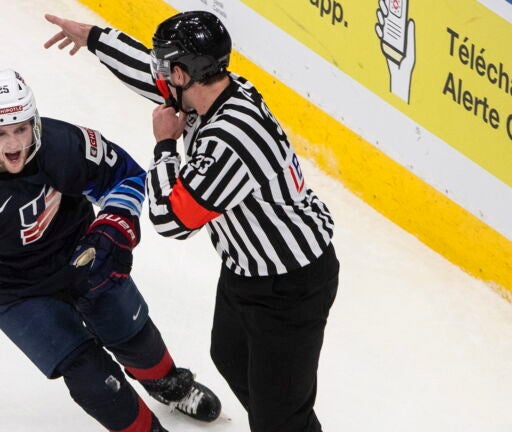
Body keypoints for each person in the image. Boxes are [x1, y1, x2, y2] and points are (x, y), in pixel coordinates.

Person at [45, 11, 339, 432]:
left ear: (184, 73)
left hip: (291, 284)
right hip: (248, 271)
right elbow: (151, 76)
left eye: (167, 66)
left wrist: (165, 144)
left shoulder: (232, 139)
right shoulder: (213, 92)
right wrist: (95, 38)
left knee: (279, 417)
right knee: (230, 357)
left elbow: (172, 218)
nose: (160, 74)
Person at [0, 69, 221, 432]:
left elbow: (123, 176)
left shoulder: (65, 143)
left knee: (135, 336)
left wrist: (113, 226)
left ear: (34, 121)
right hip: (13, 290)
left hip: (82, 257)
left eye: (20, 128)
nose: (13, 143)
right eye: (0, 133)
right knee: (90, 378)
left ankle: (169, 385)